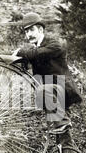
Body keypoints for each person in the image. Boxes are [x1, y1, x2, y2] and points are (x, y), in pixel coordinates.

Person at [13, 12, 82, 145]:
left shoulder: (54, 44)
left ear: (41, 29)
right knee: (62, 138)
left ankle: (63, 124)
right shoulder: (34, 49)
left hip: (61, 90)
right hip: (52, 95)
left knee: (60, 125)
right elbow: (26, 56)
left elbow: (37, 54)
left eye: (32, 30)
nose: (29, 35)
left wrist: (21, 52)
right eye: (26, 32)